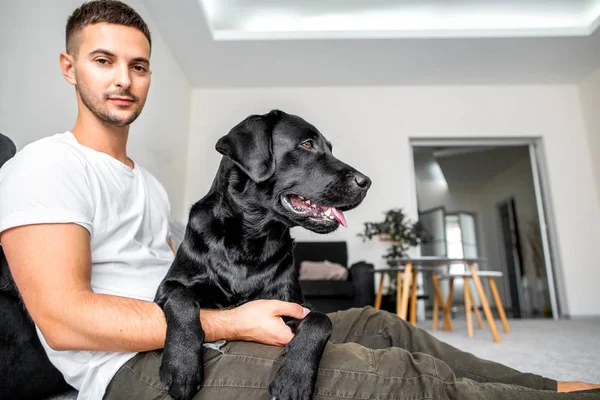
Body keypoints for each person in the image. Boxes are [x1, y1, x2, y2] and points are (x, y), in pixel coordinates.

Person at [0, 1, 598, 399]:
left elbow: (185, 274)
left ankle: (547, 387)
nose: (123, 80)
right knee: (390, 379)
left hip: (213, 330)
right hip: (134, 370)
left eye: (139, 65)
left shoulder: (147, 184)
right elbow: (63, 319)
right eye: (103, 61)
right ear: (69, 66)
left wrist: (234, 315)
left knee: (383, 326)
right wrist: (229, 322)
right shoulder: (45, 165)